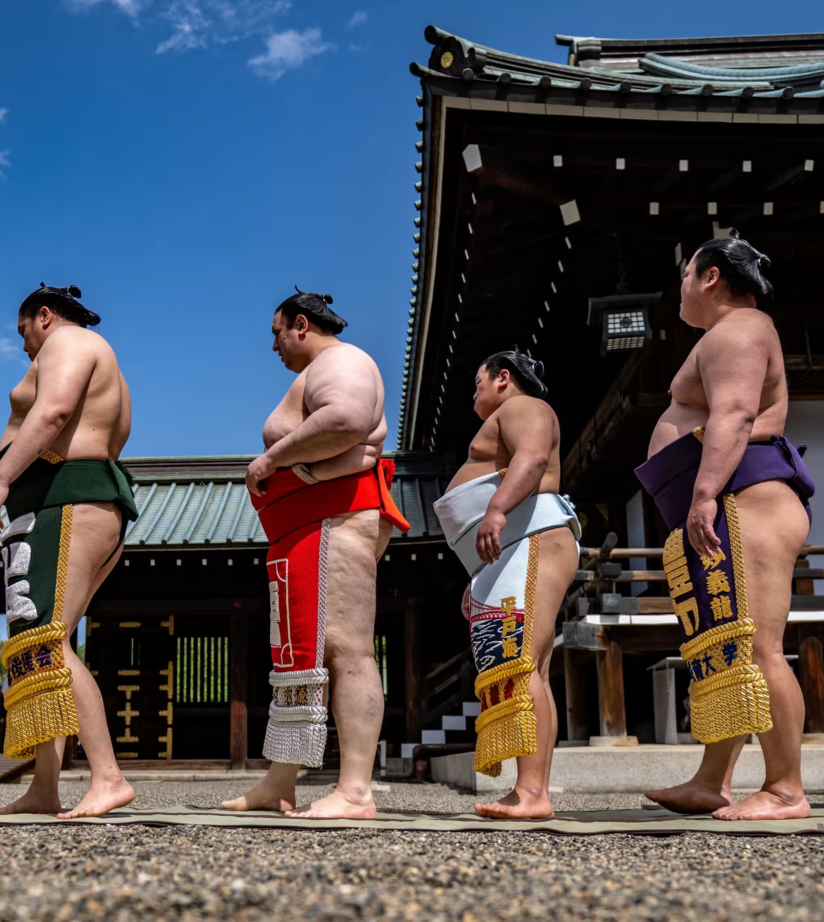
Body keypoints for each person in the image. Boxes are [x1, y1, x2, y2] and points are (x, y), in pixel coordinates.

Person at [634, 235, 816, 821]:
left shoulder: (739, 329)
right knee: (729, 648)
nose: (681, 288)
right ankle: (713, 779)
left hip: (746, 496)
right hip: (732, 498)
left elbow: (735, 413)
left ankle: (786, 787)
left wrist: (705, 492)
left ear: (710, 277)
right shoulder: (730, 333)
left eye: (686, 275)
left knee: (760, 648)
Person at [221, 289, 409, 820]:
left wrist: (272, 460)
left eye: (277, 333)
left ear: (301, 325)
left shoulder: (343, 361)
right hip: (306, 527)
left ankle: (354, 790)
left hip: (338, 517)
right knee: (305, 651)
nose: (275, 347)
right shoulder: (322, 368)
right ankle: (280, 782)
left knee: (347, 649)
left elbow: (347, 418)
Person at [0, 283, 139, 818]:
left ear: (43, 317)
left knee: (47, 638)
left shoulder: (68, 344)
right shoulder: (91, 350)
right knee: (47, 644)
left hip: (68, 499)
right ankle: (45, 787)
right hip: (65, 501)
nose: (24, 346)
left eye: (23, 332)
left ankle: (108, 777)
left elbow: (53, 413)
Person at [431, 351, 580, 818]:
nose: (473, 391)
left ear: (503, 378)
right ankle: (531, 790)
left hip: (531, 536)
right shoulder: (509, 414)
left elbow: (532, 458)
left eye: (478, 380)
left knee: (521, 664)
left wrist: (495, 510)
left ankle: (532, 792)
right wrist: (480, 572)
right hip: (516, 547)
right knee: (531, 667)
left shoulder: (524, 407)